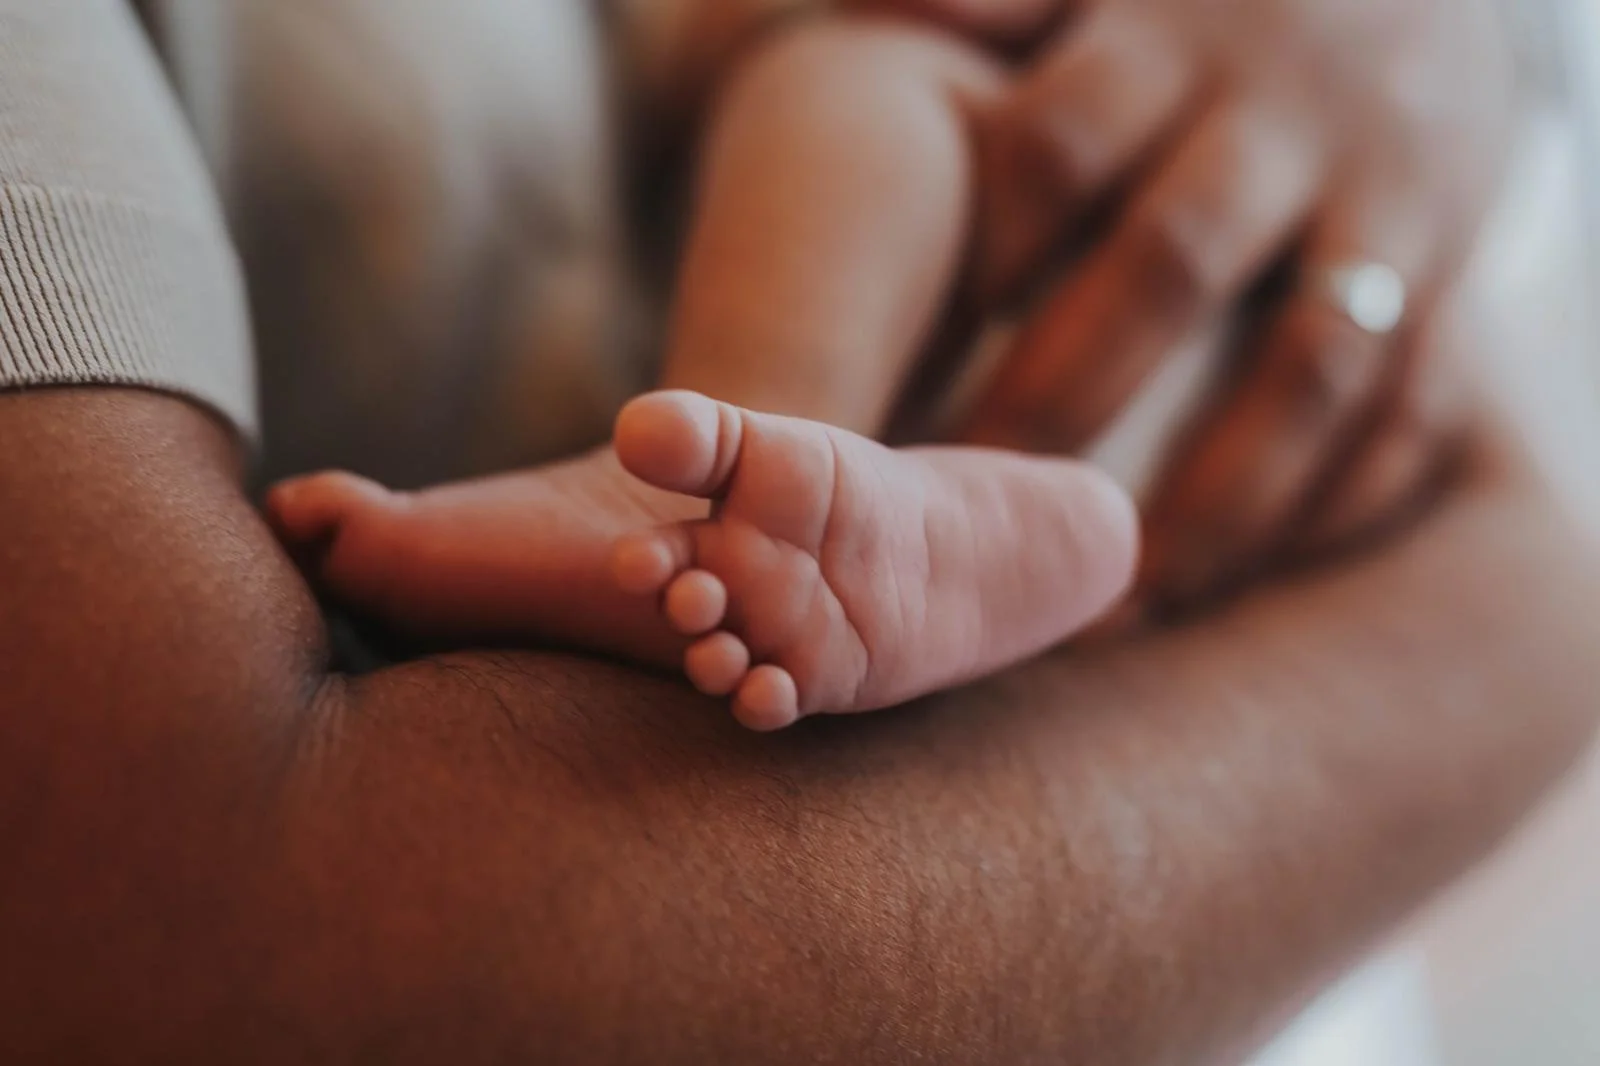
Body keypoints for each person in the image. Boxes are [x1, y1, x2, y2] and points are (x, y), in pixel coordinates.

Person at [1, 2, 1594, 1064]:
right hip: (1240, 402)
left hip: (1212, 271)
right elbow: (222, 941)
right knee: (864, 79)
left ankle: (752, 445)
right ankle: (889, 507)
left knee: (856, 83)